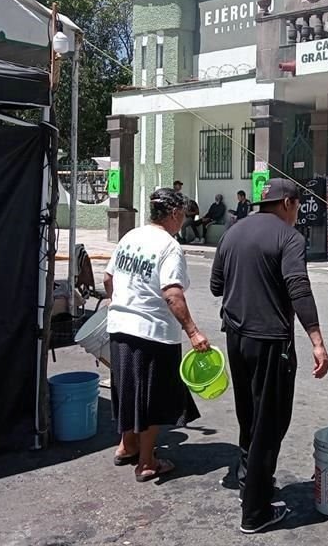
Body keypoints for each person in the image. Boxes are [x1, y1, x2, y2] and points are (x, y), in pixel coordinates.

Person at [210, 178, 328, 534]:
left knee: (249, 416)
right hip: (270, 342)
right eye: (297, 209)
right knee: (271, 422)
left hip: (236, 336)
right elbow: (298, 286)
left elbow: (217, 286)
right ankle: (256, 512)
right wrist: (317, 340)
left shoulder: (233, 230)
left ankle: (250, 482)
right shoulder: (289, 237)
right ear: (290, 204)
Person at [103, 187, 211, 483]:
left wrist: (119, 305)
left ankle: (127, 446)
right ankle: (147, 462)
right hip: (152, 333)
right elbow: (173, 294)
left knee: (127, 390)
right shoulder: (169, 245)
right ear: (175, 213)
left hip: (120, 328)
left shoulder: (130, 237)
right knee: (151, 399)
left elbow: (108, 278)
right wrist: (193, 332)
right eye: (184, 216)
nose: (184, 222)